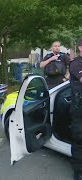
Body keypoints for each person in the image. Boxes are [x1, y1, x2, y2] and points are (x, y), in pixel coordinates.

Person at [70, 38, 82, 180]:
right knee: (79, 139)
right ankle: (78, 171)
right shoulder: (76, 63)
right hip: (79, 108)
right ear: (80, 48)